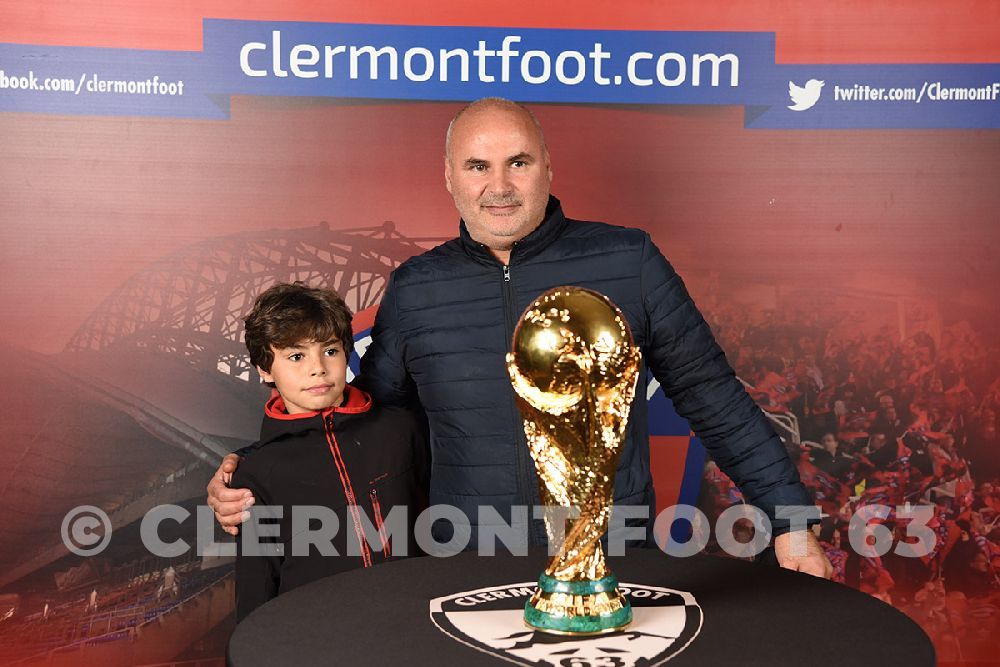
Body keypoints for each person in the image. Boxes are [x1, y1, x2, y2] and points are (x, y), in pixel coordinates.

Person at [209, 98, 831, 577]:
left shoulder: (631, 259)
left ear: (548, 168)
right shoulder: (415, 287)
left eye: (518, 162)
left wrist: (790, 520)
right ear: (450, 177)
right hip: (466, 561)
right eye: (478, 165)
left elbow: (711, 395)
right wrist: (255, 470)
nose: (498, 185)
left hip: (611, 558)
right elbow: (366, 421)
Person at [230, 283, 427, 621]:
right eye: (296, 356)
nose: (318, 367)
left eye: (330, 351)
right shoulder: (256, 472)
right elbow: (256, 588)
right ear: (265, 370)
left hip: (412, 621)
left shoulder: (401, 429)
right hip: (317, 636)